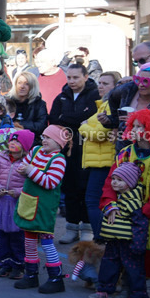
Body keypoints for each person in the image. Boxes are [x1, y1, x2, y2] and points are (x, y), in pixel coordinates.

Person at [13, 125, 72, 293]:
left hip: (44, 207)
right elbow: (22, 166)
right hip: (29, 202)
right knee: (29, 240)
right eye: (43, 137)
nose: (43, 140)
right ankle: (31, 274)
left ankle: (56, 277)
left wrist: (31, 170)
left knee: (46, 241)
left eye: (48, 138)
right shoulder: (36, 150)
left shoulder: (59, 160)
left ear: (59, 143)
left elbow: (50, 182)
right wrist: (24, 169)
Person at [49, 63, 100, 242]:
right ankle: (71, 228)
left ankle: (87, 229)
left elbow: (92, 117)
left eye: (75, 77)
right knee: (69, 189)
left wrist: (68, 119)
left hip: (89, 149)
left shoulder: (96, 95)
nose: (71, 81)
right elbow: (54, 118)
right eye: (69, 77)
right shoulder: (62, 96)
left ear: (86, 77)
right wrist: (78, 120)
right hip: (67, 149)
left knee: (86, 189)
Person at [89, 161, 149, 298]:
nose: (115, 183)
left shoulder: (133, 202)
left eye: (120, 180)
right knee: (109, 264)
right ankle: (105, 289)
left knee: (134, 268)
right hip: (113, 240)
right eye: (114, 179)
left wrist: (138, 244)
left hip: (129, 242)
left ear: (130, 182)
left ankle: (139, 295)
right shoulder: (117, 198)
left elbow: (140, 224)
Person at [78, 71, 121, 241]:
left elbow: (101, 134)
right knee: (97, 201)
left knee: (94, 201)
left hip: (104, 162)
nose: (100, 86)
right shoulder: (103, 105)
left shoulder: (111, 105)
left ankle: (101, 238)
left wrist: (83, 127)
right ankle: (103, 238)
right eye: (100, 83)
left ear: (116, 86)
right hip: (98, 161)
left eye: (105, 83)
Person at [0, 129, 33, 279]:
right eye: (11, 140)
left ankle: (18, 265)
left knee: (17, 236)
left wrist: (18, 191)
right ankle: (4, 262)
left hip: (16, 203)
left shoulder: (28, 164)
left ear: (25, 146)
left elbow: (30, 183)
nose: (13, 143)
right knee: (0, 234)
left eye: (17, 141)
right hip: (0, 201)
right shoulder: (0, 158)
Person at [5, 72, 47, 145]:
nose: (22, 86)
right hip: (8, 140)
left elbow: (41, 126)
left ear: (32, 86)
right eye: (19, 83)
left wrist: (20, 125)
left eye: (26, 84)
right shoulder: (7, 102)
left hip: (31, 142)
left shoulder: (40, 104)